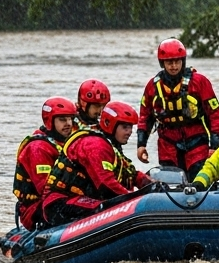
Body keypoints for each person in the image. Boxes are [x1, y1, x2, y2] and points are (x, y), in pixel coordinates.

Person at [42, 100, 152, 226]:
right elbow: (106, 185)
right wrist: (134, 199)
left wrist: (152, 185)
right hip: (60, 202)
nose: (129, 132)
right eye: (124, 127)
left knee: (107, 207)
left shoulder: (112, 148)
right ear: (110, 124)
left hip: (79, 199)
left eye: (131, 127)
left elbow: (132, 174)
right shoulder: (95, 145)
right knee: (104, 209)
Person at [136, 38, 219, 179]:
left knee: (198, 178)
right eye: (169, 62)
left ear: (183, 61)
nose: (174, 66)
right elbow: (145, 116)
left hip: (196, 140)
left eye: (177, 61)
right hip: (167, 143)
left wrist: (214, 145)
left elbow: (215, 114)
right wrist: (141, 144)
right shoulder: (153, 86)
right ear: (162, 63)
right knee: (171, 181)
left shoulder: (199, 82)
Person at [12, 97, 77, 230]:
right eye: (62, 119)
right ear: (49, 121)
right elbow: (46, 189)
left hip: (59, 199)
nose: (68, 123)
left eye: (70, 119)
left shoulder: (65, 143)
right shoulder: (38, 148)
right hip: (37, 208)